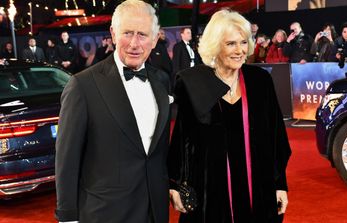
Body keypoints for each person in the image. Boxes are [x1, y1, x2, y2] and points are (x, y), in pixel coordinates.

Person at [168, 9, 292, 223]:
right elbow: (183, 139)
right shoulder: (194, 84)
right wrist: (177, 184)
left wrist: (280, 184)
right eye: (230, 43)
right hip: (211, 194)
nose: (240, 50)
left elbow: (275, 138)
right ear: (216, 46)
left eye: (243, 42)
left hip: (257, 190)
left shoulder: (260, 81)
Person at [55, 0, 171, 223]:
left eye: (143, 35)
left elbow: (158, 152)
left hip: (155, 211)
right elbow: (66, 159)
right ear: (113, 33)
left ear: (155, 39)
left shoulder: (161, 81)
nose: (134, 44)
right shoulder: (83, 85)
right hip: (105, 213)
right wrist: (67, 217)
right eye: (127, 33)